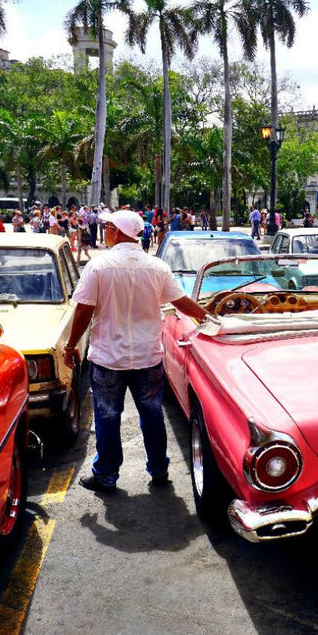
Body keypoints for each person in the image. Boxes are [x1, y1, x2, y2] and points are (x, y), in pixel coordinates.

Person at [63, 209, 209, 494]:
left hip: (108, 359)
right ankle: (158, 470)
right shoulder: (157, 267)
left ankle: (106, 475)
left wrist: (71, 346)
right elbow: (182, 303)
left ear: (117, 232)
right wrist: (208, 317)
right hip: (147, 357)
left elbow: (84, 309)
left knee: (107, 417)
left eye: (107, 226)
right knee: (152, 415)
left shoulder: (99, 266)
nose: (104, 230)